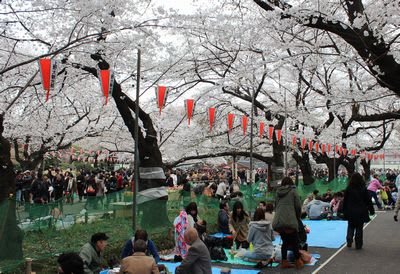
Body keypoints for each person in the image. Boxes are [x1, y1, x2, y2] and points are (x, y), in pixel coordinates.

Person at [272, 177, 303, 269]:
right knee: (295, 241)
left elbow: (276, 205)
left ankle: (284, 261)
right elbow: (298, 206)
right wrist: (297, 217)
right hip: (290, 219)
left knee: (285, 242)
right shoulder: (293, 191)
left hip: (279, 220)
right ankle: (298, 261)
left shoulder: (278, 193)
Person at [343, 173, 375, 249]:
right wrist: (371, 210)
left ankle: (349, 239)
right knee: (359, 227)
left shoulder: (348, 188)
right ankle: (358, 244)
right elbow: (368, 200)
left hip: (350, 210)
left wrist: (344, 210)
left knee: (350, 226)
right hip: (361, 210)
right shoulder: (363, 188)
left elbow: (345, 201)